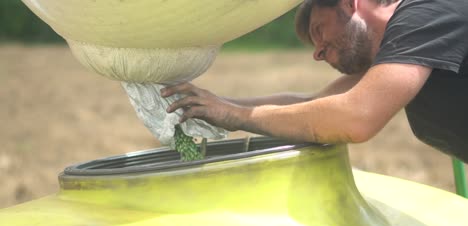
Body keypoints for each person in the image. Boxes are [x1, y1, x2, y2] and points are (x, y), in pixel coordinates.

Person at [161, 0, 468, 163]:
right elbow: (310, 105)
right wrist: (215, 104)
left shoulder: (427, 12)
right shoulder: (399, 45)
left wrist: (236, 115)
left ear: (349, 3)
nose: (318, 53)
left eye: (319, 31)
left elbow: (356, 117)